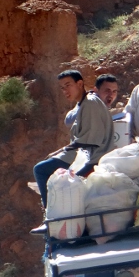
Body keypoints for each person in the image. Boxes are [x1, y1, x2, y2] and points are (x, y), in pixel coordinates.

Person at [32, 69, 117, 209]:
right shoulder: (83, 104)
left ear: (80, 84)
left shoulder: (90, 103)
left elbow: (90, 140)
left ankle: (51, 212)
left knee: (40, 169)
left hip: (91, 156)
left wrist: (62, 150)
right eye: (62, 88)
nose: (65, 91)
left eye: (68, 85)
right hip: (83, 153)